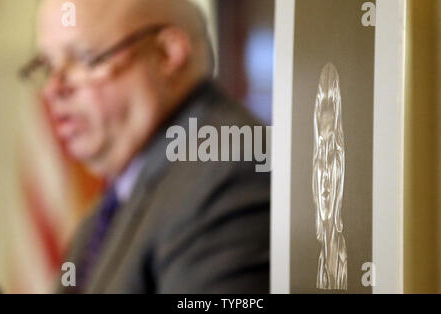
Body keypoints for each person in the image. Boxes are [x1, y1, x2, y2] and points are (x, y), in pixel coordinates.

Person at [23, 0, 270, 293]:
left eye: (84, 59)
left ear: (166, 53)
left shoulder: (225, 172)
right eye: (49, 66)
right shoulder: (119, 196)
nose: (53, 88)